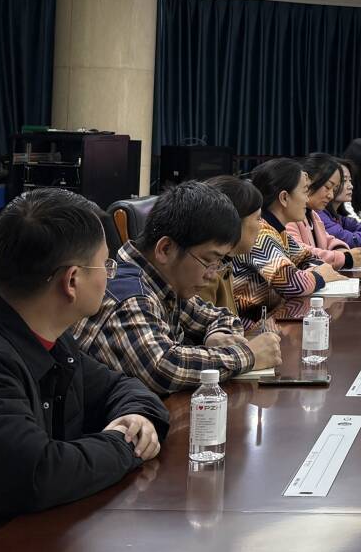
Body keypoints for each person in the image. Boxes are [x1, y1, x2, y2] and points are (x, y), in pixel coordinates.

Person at [0, 188, 169, 551]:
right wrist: (125, 444)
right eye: (106, 265)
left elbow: (123, 388)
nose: (110, 277)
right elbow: (35, 475)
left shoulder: (52, 338)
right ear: (72, 280)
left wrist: (137, 417)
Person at [74, 181, 282, 396]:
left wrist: (218, 335)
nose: (212, 274)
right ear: (165, 249)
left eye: (217, 263)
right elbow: (165, 368)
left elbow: (221, 316)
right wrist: (249, 355)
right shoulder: (131, 297)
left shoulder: (165, 281)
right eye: (208, 261)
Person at [234, 158, 345, 314]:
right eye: (305, 191)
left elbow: (308, 258)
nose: (307, 199)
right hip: (250, 323)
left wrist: (313, 272)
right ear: (284, 198)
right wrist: (319, 275)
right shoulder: (260, 233)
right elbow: (291, 284)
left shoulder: (279, 231)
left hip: (270, 318)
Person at [284, 155, 361, 268]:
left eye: (334, 189)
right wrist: (344, 258)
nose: (331, 195)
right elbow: (298, 252)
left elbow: (327, 240)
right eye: (327, 187)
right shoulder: (289, 216)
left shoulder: (312, 214)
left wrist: (340, 249)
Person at [195, 174, 263, 317]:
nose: (261, 226)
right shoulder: (204, 275)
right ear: (233, 222)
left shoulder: (225, 264)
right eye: (258, 218)